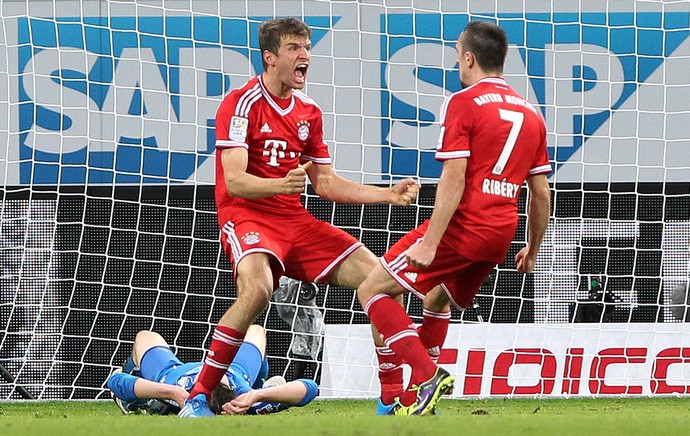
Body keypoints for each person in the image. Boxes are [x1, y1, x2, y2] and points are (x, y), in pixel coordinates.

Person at [178, 16, 423, 418]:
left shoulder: (308, 110)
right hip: (248, 217)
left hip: (294, 221)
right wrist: (279, 186)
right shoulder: (241, 104)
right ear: (270, 58)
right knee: (258, 290)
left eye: (307, 47)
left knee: (381, 279)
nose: (305, 55)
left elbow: (324, 182)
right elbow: (234, 182)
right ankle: (198, 397)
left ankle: (391, 397)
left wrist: (387, 194)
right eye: (294, 48)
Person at [357, 20, 552, 416]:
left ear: (470, 58)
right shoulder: (532, 114)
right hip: (500, 233)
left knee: (372, 289)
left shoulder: (462, 101)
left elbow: (453, 177)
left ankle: (425, 376)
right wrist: (532, 249)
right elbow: (541, 193)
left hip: (465, 226)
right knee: (437, 299)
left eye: (457, 59)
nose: (456, 67)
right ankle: (419, 400)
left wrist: (430, 241)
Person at [107, 325, 318, 416]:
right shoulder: (243, 395)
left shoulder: (175, 390)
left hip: (170, 372)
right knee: (256, 330)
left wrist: (169, 392)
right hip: (239, 371)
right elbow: (310, 388)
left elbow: (115, 381)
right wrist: (258, 394)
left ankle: (133, 401)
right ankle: (265, 387)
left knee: (145, 337)